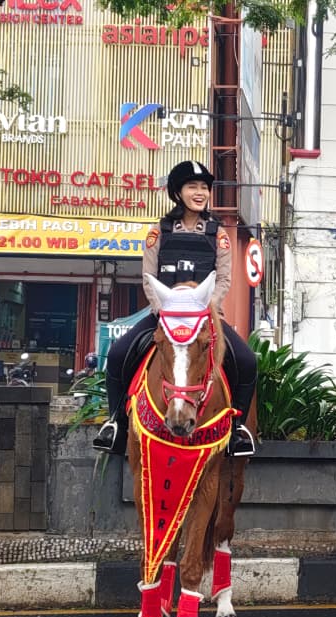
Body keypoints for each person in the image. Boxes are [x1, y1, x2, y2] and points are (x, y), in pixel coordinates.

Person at [92, 160, 257, 457]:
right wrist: (164, 309)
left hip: (205, 318)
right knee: (117, 355)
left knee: (246, 361)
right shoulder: (160, 231)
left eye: (204, 187)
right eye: (192, 186)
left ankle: (237, 431)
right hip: (164, 317)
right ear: (177, 192)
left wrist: (204, 309)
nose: (200, 193)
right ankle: (116, 424)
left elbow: (224, 279)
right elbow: (148, 277)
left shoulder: (217, 233)